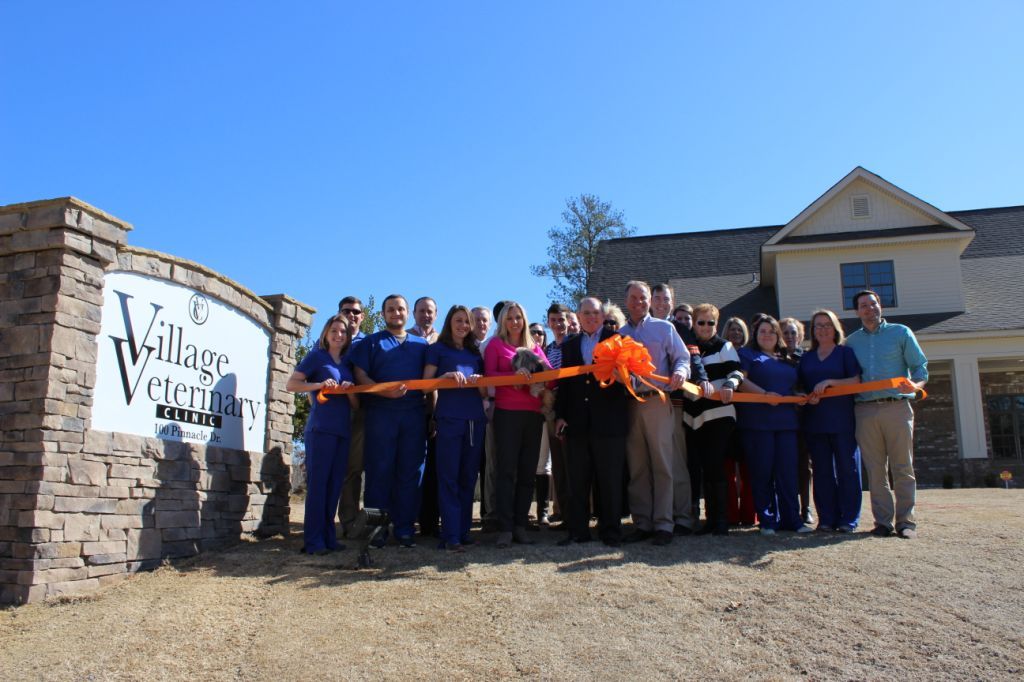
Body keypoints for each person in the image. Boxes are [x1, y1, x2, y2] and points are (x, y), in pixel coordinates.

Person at [845, 290, 928, 539]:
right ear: (857, 311)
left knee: (903, 466)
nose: (869, 309)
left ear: (880, 306)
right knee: (875, 469)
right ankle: (883, 522)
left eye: (873, 304)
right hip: (865, 411)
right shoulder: (850, 343)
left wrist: (915, 386)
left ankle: (906, 522)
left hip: (897, 407)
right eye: (863, 306)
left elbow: (920, 368)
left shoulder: (901, 333)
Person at [349, 294, 429, 548]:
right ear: (383, 314)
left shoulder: (421, 346)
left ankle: (404, 529)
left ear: (408, 314)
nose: (396, 313)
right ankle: (377, 531)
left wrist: (432, 415)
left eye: (401, 309)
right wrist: (382, 391)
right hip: (381, 414)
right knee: (379, 472)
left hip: (413, 415)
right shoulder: (372, 343)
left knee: (411, 472)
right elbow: (359, 373)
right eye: (391, 309)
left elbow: (431, 381)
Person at [619, 281, 691, 546]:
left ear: (650, 300)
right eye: (634, 298)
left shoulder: (665, 328)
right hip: (629, 404)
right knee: (637, 466)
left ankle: (663, 523)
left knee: (662, 464)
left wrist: (681, 372)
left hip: (657, 402)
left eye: (643, 298)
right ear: (625, 301)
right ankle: (642, 523)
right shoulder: (620, 334)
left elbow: (683, 358)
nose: (638, 302)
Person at [554, 297, 629, 547]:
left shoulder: (618, 339)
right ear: (579, 315)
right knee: (578, 479)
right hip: (577, 422)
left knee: (609, 480)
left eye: (595, 313)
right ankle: (578, 531)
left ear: (602, 314)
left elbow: (628, 379)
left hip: (609, 422)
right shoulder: (570, 344)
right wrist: (560, 415)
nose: (591, 317)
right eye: (585, 313)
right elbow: (564, 383)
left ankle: (610, 531)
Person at [286, 315, 357, 554]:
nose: (339, 335)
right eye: (334, 331)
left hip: (342, 430)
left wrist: (349, 391)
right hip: (321, 430)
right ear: (326, 333)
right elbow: (292, 385)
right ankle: (313, 541)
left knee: (334, 485)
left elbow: (356, 405)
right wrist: (319, 386)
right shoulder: (317, 357)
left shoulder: (347, 363)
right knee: (318, 485)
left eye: (343, 332)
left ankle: (329, 537)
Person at [484, 301, 552, 548]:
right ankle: (505, 527)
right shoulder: (495, 345)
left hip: (533, 415)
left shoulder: (533, 347)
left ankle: (521, 526)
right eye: (510, 318)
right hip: (506, 414)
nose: (514, 322)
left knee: (527, 472)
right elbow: (488, 374)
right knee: (506, 471)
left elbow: (551, 375)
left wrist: (540, 371)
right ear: (502, 321)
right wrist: (514, 377)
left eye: (518, 317)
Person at [736, 314, 811, 535]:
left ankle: (793, 520)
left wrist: (802, 395)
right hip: (758, 423)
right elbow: (740, 380)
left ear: (777, 335)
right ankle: (768, 520)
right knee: (762, 472)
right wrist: (764, 394)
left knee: (787, 473)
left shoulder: (787, 358)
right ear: (756, 335)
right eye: (762, 331)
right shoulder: (747, 354)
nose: (767, 335)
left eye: (771, 331)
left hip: (787, 423)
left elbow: (795, 386)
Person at [423, 305, 487, 552]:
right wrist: (446, 377)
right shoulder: (436, 350)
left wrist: (481, 383)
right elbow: (426, 386)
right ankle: (450, 535)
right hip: (449, 420)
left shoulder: (475, 353)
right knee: (448, 477)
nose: (463, 325)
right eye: (458, 321)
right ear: (449, 323)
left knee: (468, 478)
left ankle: (463, 531)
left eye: (466, 322)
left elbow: (484, 392)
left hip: (475, 420)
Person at [799, 309, 862, 533]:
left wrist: (830, 382)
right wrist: (805, 398)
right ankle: (826, 518)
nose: (822, 329)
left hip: (842, 420)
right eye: (818, 325)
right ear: (812, 330)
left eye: (827, 325)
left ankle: (849, 519)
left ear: (835, 328)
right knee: (822, 471)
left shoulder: (845, 353)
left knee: (848, 469)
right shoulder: (806, 358)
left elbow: (855, 380)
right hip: (815, 422)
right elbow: (801, 388)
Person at [682, 304, 743, 535]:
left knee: (715, 465)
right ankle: (707, 519)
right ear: (694, 323)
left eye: (711, 323)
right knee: (699, 467)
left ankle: (720, 520)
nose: (706, 327)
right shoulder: (688, 347)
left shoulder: (723, 346)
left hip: (719, 415)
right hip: (693, 416)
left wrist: (730, 384)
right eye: (701, 322)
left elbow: (737, 372)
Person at [336, 296, 367, 538]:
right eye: (347, 311)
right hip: (330, 413)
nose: (352, 315)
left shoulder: (369, 343)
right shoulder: (328, 340)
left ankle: (349, 521)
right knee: (328, 468)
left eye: (356, 312)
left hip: (360, 413)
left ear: (362, 317)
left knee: (353, 468)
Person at [410, 297, 440, 538]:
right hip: (410, 410)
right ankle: (407, 520)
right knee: (411, 468)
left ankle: (430, 523)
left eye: (430, 311)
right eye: (421, 311)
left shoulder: (443, 340)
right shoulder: (406, 338)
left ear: (436, 314)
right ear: (414, 313)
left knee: (434, 470)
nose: (426, 315)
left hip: (438, 413)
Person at [721, 317, 756, 526]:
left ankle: (749, 515)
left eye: (740, 330)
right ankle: (731, 515)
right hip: (725, 417)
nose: (736, 334)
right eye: (732, 330)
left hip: (748, 417)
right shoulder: (722, 353)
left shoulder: (749, 355)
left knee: (747, 470)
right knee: (727, 471)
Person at [781, 316, 814, 526]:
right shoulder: (774, 359)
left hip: (805, 419)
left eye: (794, 332)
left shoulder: (808, 358)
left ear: (800, 336)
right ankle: (786, 507)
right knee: (784, 466)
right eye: (785, 333)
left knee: (804, 465)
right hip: (781, 418)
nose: (790, 336)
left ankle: (806, 507)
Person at [543, 303, 572, 526]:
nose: (558, 324)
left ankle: (575, 512)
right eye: (553, 320)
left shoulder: (575, 344)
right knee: (559, 465)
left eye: (561, 319)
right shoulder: (548, 349)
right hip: (551, 410)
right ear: (549, 322)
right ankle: (562, 510)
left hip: (571, 410)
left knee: (573, 463)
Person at [479, 301, 505, 533]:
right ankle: (491, 512)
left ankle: (512, 511)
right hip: (494, 407)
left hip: (518, 408)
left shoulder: (522, 344)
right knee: (493, 462)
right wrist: (486, 406)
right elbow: (482, 380)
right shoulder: (489, 345)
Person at [529, 323, 554, 526]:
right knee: (526, 463)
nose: (537, 335)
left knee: (543, 464)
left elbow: (553, 380)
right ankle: (524, 512)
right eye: (533, 332)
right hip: (525, 412)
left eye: (540, 332)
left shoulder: (548, 355)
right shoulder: (521, 355)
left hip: (545, 412)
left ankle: (543, 512)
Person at [470, 306, 493, 522]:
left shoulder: (493, 346)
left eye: (485, 320)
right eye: (477, 319)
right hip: (468, 411)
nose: (481, 323)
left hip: (492, 411)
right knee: (469, 465)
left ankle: (488, 512)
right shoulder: (464, 346)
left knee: (489, 463)